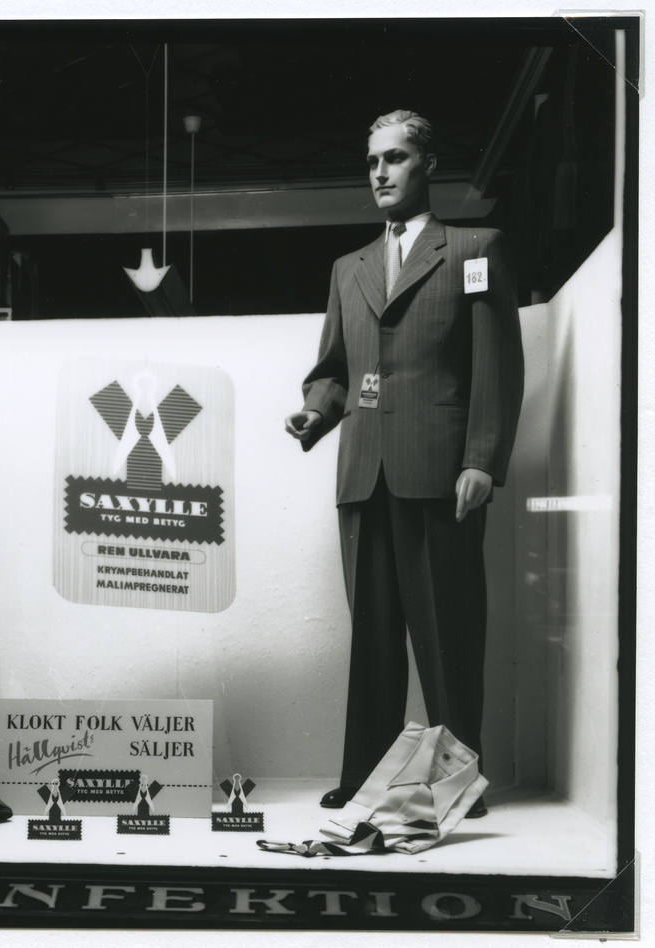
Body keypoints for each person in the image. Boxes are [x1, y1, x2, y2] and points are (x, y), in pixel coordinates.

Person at [285, 110, 524, 817]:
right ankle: (366, 774)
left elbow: (497, 362)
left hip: (441, 470)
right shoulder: (349, 267)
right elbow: (335, 368)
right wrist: (316, 412)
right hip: (364, 473)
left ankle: (459, 781)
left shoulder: (474, 247)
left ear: (428, 165)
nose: (380, 173)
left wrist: (482, 458)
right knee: (373, 638)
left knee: (449, 633)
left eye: (395, 158)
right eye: (372, 161)